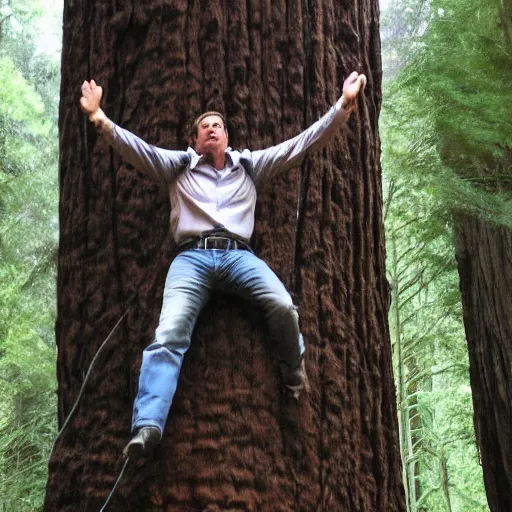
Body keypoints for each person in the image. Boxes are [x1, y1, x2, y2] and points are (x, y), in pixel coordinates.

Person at [79, 71, 366, 458]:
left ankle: (293, 367)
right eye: (204, 127)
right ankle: (148, 425)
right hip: (191, 258)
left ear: (227, 136)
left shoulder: (250, 167)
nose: (211, 129)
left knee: (282, 304)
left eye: (218, 125)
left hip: (238, 256)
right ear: (195, 140)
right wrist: (99, 117)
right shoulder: (178, 167)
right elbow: (138, 149)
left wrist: (342, 107)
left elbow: (300, 144)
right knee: (170, 332)